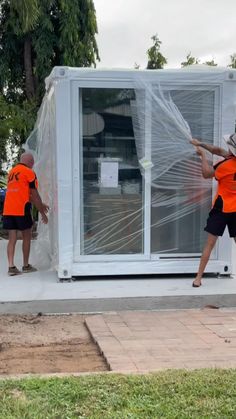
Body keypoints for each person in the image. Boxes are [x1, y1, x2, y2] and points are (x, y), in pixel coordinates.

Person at [190, 134, 236, 287]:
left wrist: (203, 155)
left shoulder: (225, 166)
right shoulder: (229, 160)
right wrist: (201, 143)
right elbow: (218, 150)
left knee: (209, 244)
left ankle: (198, 279)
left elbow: (206, 174)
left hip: (221, 209)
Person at [3, 152, 49, 276]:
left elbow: (24, 193)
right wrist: (42, 213)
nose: (33, 165)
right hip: (21, 209)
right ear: (30, 162)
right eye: (33, 162)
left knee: (12, 238)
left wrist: (41, 204)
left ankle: (11, 267)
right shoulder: (29, 172)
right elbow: (34, 194)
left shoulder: (12, 172)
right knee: (27, 236)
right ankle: (25, 265)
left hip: (8, 209)